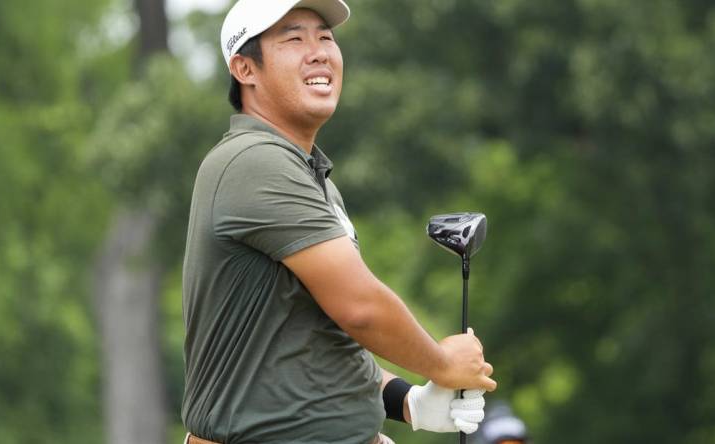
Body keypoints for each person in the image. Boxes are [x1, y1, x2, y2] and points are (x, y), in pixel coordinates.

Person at [180, 1, 497, 443]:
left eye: (325, 37)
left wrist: (409, 402)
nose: (319, 51)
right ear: (244, 69)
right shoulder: (253, 161)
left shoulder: (312, 177)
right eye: (294, 38)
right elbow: (360, 308)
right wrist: (443, 364)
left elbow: (324, 336)